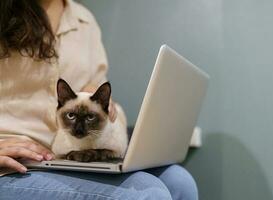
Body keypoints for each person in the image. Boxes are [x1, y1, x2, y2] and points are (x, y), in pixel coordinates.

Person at [0, 0, 198, 199]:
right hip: (14, 165)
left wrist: (99, 97)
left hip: (69, 157)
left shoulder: (84, 20)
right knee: (149, 193)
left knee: (180, 182)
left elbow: (98, 92)